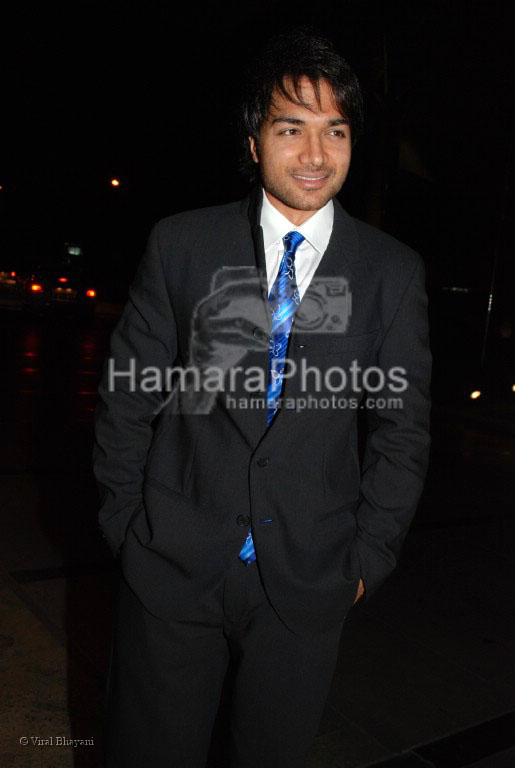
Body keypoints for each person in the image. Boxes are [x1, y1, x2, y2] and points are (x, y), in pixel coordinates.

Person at [92, 28, 431, 768]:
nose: (315, 154)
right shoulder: (182, 245)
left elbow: (402, 430)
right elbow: (127, 395)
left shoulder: (390, 271)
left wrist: (368, 558)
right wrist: (127, 526)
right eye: (291, 128)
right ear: (253, 142)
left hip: (310, 579)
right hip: (172, 564)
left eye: (334, 130)